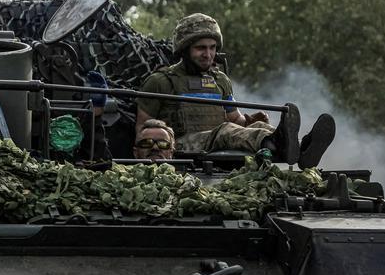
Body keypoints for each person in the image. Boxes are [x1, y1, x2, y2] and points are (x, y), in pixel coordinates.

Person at [136, 13, 335, 168]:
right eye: (201, 48)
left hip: (214, 140)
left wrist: (251, 121)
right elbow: (142, 130)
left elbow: (236, 121)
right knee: (225, 131)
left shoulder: (220, 80)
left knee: (258, 127)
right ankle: (275, 143)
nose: (208, 54)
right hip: (178, 145)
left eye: (212, 48)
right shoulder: (160, 81)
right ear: (184, 49)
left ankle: (301, 149)